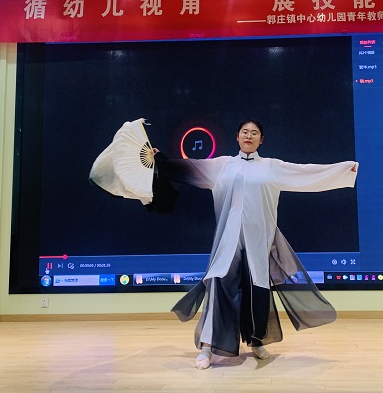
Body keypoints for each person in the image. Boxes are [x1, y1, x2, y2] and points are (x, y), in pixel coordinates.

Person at [153, 119, 358, 369]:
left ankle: (256, 341)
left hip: (259, 238)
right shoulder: (222, 165)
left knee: (257, 289)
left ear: (261, 140)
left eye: (254, 133)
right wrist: (161, 160)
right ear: (237, 137)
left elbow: (306, 172)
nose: (248, 136)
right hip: (228, 237)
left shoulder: (271, 167)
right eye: (244, 132)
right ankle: (207, 347)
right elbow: (188, 168)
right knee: (218, 285)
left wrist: (344, 170)